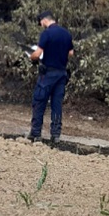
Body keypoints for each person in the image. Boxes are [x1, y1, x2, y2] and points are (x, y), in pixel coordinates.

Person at [27, 11, 74, 144]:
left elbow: (38, 53)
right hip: (62, 74)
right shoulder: (66, 33)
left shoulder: (46, 33)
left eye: (40, 23)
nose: (41, 25)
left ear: (43, 20)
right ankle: (56, 135)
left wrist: (32, 57)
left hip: (48, 74)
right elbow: (71, 53)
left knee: (39, 101)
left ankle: (35, 134)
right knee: (56, 105)